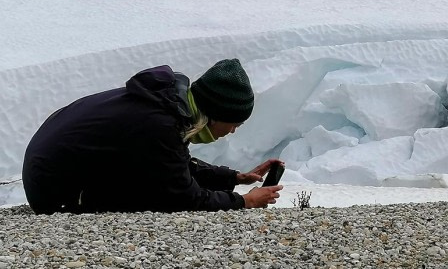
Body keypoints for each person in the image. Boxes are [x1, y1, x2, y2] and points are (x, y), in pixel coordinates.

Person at [21, 59, 282, 213]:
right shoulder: (159, 122)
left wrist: (234, 178)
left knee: (158, 183)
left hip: (52, 176)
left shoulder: (164, 106)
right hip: (55, 194)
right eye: (234, 123)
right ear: (215, 114)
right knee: (159, 197)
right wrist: (244, 201)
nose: (233, 130)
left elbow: (170, 164)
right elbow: (183, 195)